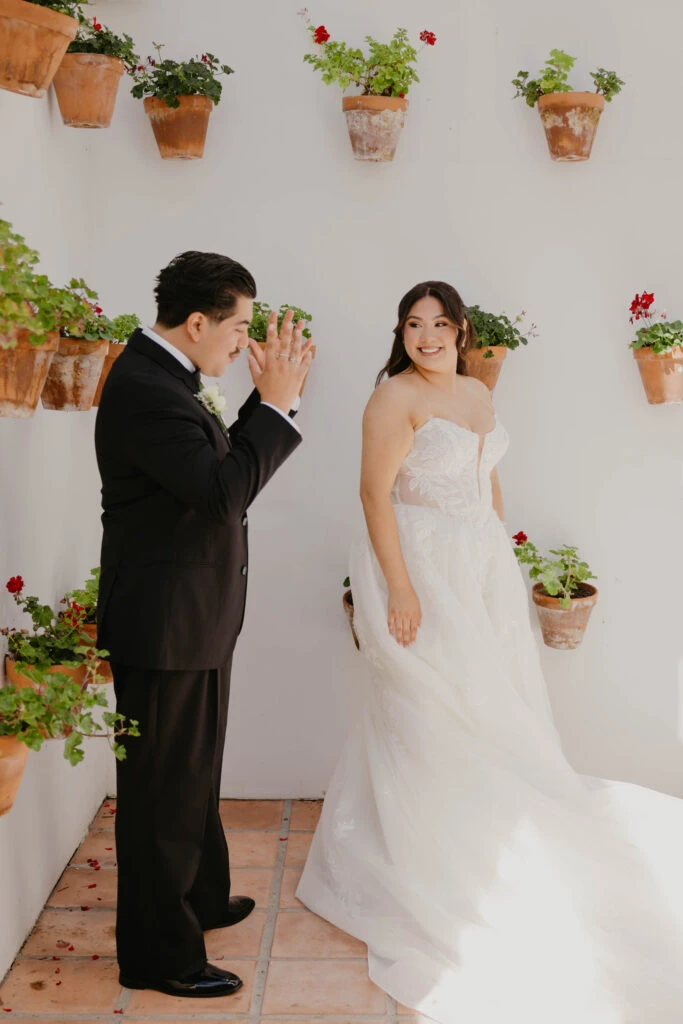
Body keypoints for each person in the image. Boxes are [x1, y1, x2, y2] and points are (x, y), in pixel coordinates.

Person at [297, 281, 683, 1024]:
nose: (428, 335)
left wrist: (497, 551)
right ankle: (425, 848)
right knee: (427, 702)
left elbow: (486, 477)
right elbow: (375, 496)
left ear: (462, 329)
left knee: (488, 702)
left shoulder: (475, 390)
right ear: (401, 334)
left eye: (440, 323)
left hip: (477, 568)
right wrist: (401, 590)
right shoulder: (393, 398)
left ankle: (484, 820)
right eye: (415, 324)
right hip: (419, 566)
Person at [94, 250, 313, 999]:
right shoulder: (146, 390)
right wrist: (276, 405)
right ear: (196, 322)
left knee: (193, 772)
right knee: (161, 790)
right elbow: (225, 494)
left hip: (192, 616)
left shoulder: (169, 378)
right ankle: (158, 954)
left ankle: (199, 898)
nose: (243, 341)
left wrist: (262, 404)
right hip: (163, 625)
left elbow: (213, 470)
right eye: (239, 326)